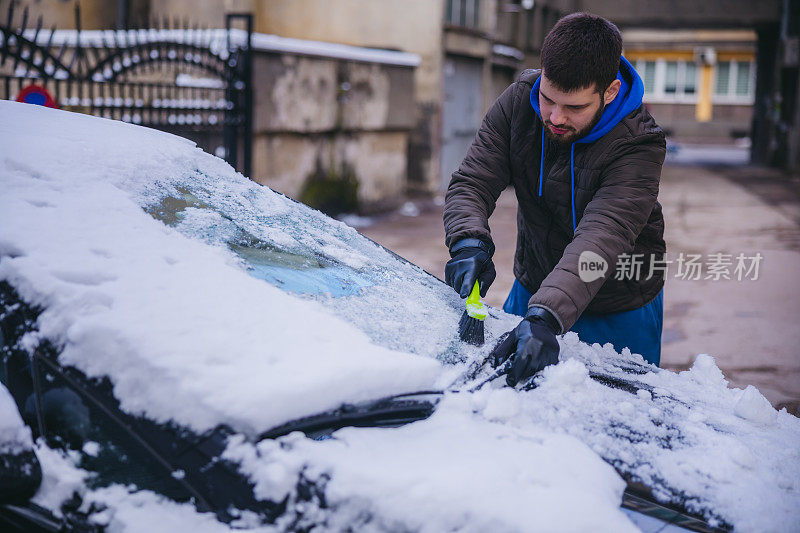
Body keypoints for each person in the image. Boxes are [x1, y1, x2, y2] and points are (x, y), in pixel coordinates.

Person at [443, 12, 666, 386]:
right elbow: (472, 181)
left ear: (609, 92)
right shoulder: (518, 103)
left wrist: (547, 315)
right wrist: (468, 242)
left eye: (575, 108)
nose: (555, 117)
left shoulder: (639, 143)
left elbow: (604, 235)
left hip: (618, 304)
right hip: (533, 286)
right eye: (548, 99)